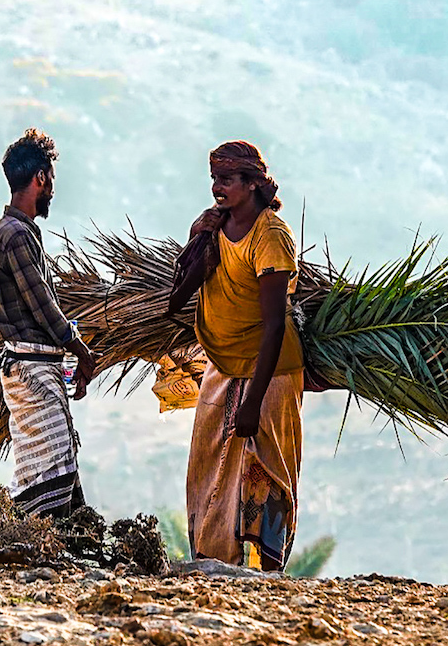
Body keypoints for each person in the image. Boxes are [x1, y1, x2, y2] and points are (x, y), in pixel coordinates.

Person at [185, 140, 305, 571]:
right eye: (214, 179)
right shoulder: (215, 228)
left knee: (265, 471)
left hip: (269, 372)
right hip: (220, 363)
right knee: (207, 465)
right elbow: (178, 296)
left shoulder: (271, 237)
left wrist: (253, 401)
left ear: (253, 183)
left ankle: (270, 573)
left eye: (228, 180)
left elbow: (274, 325)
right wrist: (197, 240)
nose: (218, 187)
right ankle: (213, 560)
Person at [0, 127, 97, 520]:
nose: (51, 190)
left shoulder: (16, 231)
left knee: (52, 461)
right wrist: (79, 348)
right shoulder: (15, 236)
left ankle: (57, 544)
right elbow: (43, 306)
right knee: (48, 468)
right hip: (30, 368)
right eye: (50, 181)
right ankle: (34, 538)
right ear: (40, 179)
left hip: (35, 365)